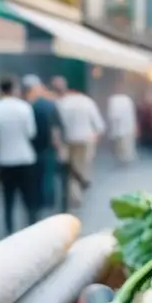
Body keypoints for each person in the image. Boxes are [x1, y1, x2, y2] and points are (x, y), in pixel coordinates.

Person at [0, 77, 39, 235]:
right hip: (26, 158)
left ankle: (9, 230)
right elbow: (31, 132)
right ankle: (33, 228)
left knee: (8, 198)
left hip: (5, 160)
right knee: (28, 197)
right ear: (14, 89)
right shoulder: (25, 107)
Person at [52, 77, 104, 207]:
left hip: (67, 140)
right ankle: (80, 191)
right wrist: (94, 139)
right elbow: (99, 126)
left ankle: (74, 195)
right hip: (85, 140)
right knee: (82, 166)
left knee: (70, 169)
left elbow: (56, 126)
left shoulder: (61, 103)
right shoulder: (88, 102)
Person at [22, 74, 63, 211]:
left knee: (37, 177)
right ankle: (49, 200)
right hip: (48, 147)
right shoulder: (50, 105)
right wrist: (57, 145)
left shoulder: (29, 107)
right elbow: (56, 128)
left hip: (34, 147)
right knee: (48, 175)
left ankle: (38, 201)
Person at [107, 88, 138, 164]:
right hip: (126, 127)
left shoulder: (113, 100)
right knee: (125, 144)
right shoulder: (126, 100)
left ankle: (123, 158)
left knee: (121, 144)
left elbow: (111, 115)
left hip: (121, 127)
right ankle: (125, 158)